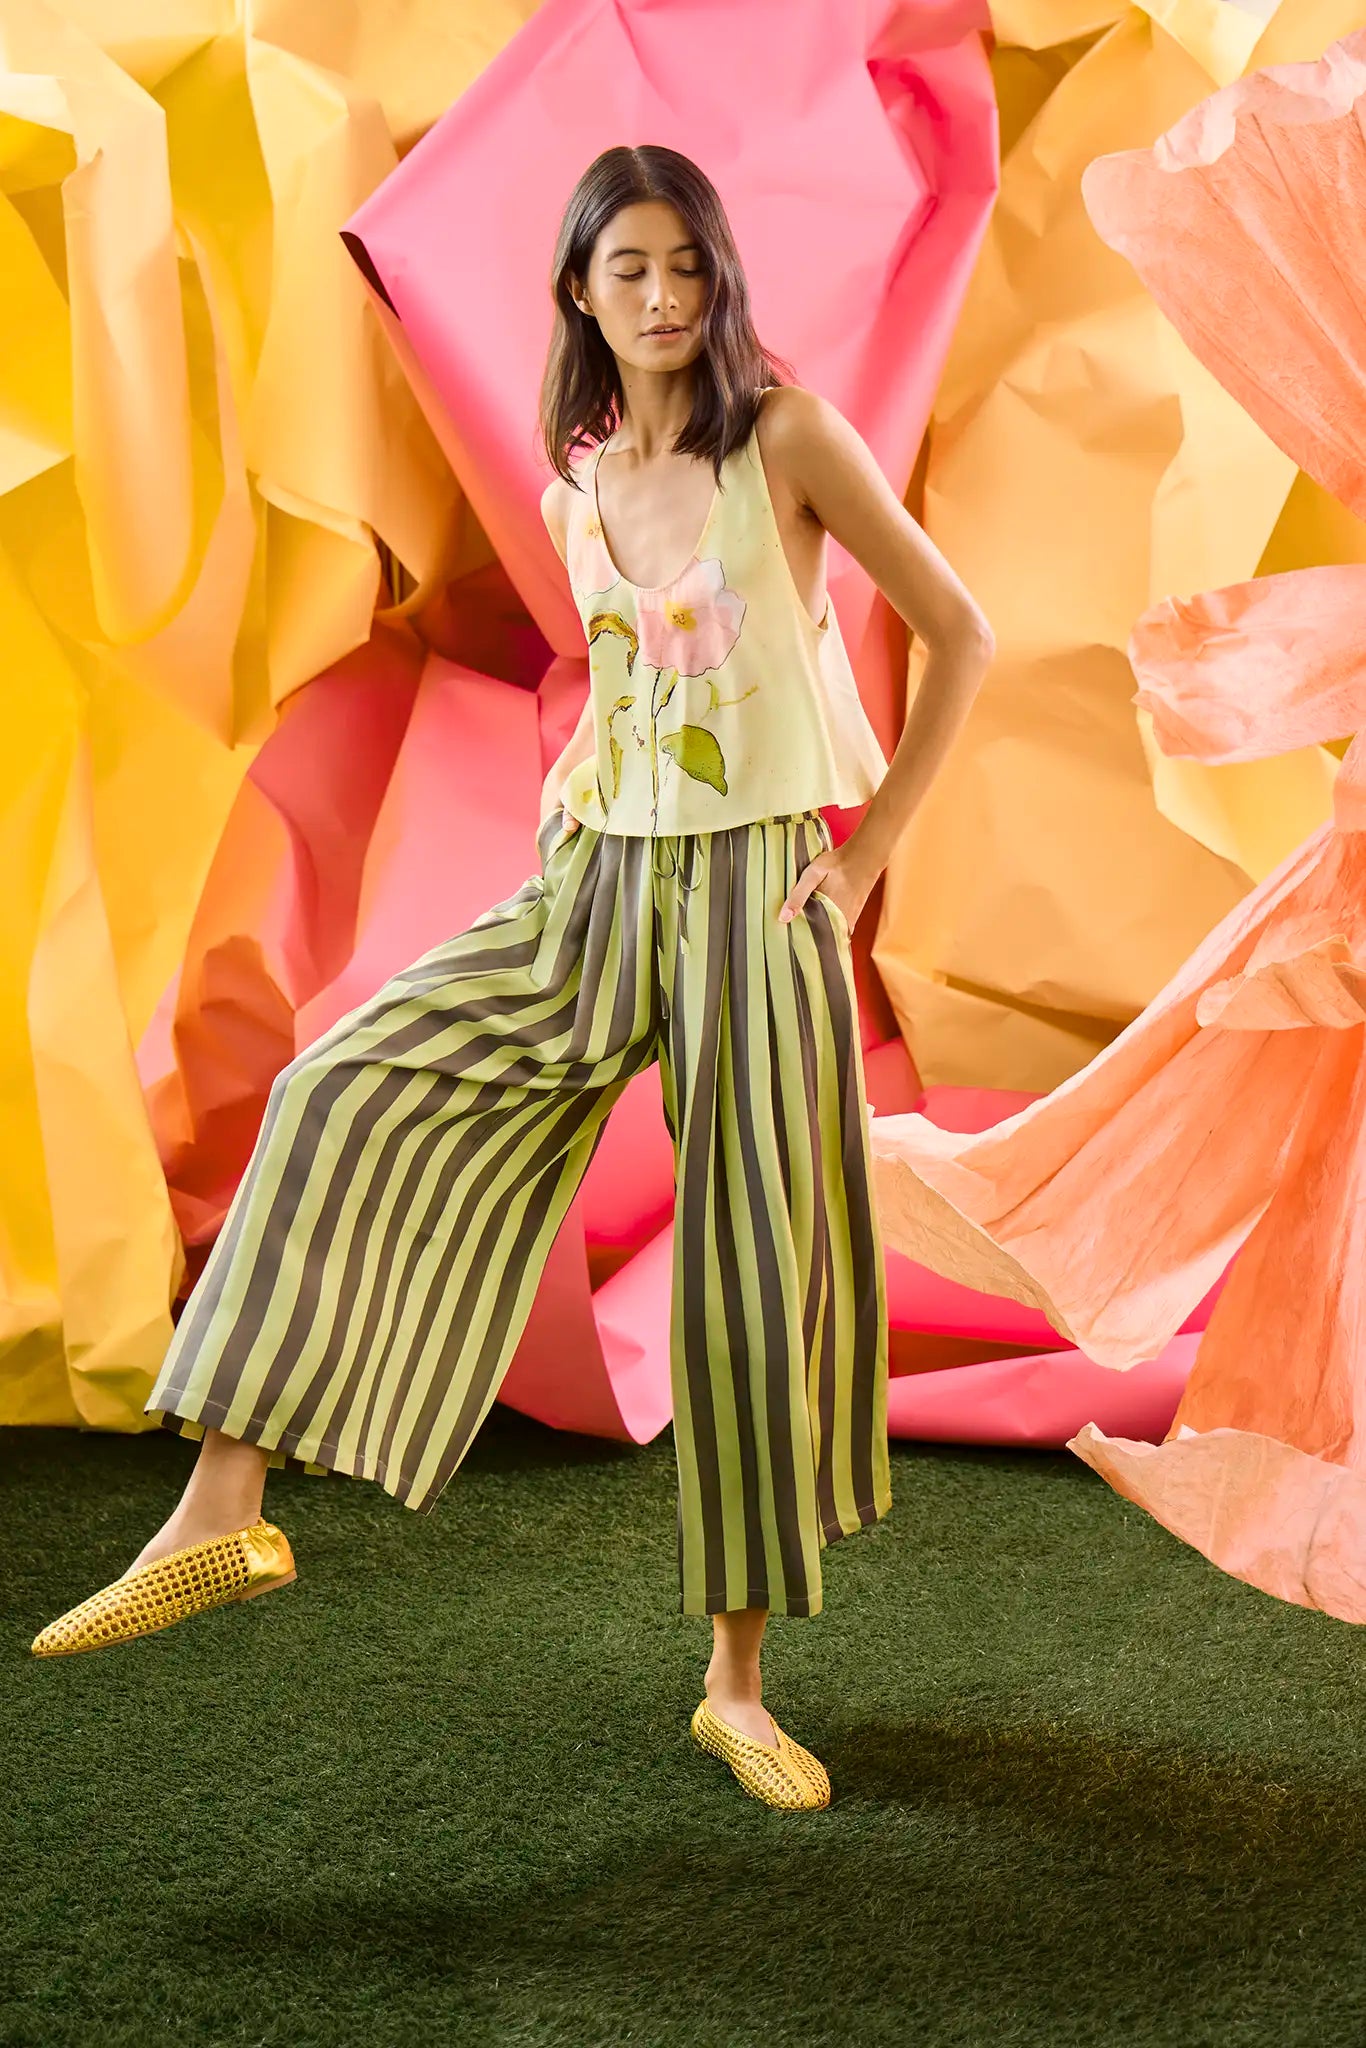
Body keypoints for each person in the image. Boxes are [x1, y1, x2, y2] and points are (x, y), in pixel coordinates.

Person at [32, 144, 994, 1810]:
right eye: (629, 269)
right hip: (592, 885)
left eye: (687, 264)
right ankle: (223, 1513)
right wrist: (568, 850)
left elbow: (962, 634)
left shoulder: (788, 439)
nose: (666, 297)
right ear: (576, 291)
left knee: (747, 1282)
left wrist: (861, 857)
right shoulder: (575, 483)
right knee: (340, 1083)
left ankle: (738, 1690)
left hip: (761, 895)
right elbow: (626, 700)